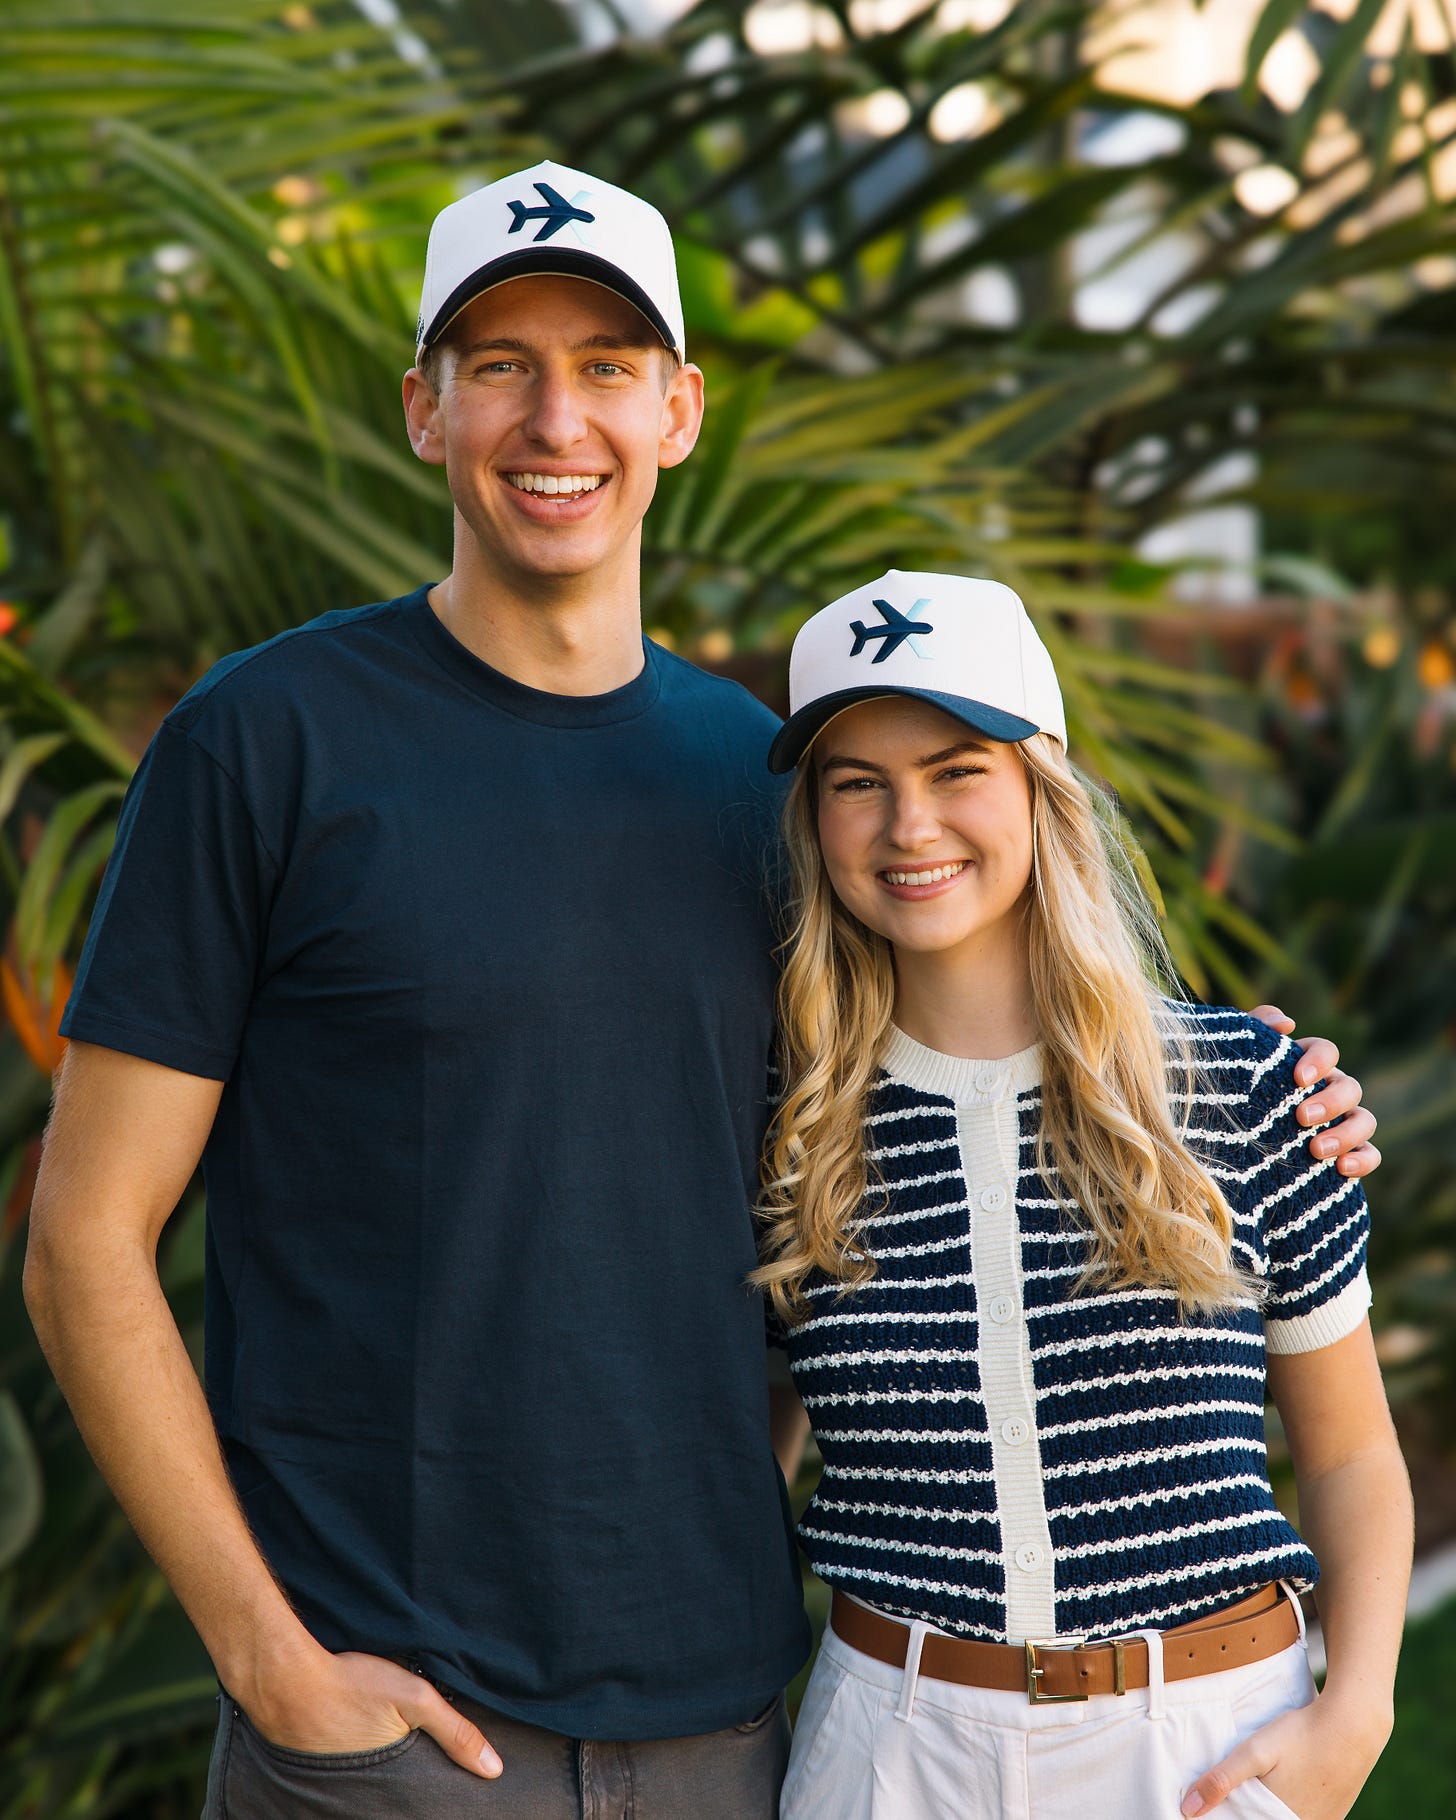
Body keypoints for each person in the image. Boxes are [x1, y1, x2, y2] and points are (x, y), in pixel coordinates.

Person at [20, 159, 1379, 1820]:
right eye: (500, 364)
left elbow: (924, 1084)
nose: (554, 419)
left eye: (604, 368)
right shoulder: (267, 743)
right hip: (385, 1727)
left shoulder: (770, 787)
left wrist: (1259, 1080)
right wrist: (270, 1659)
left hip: (730, 1719)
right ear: (422, 411)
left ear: (679, 408)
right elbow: (86, 1237)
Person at [752, 570, 1411, 1820]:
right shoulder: (784, 1127)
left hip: (1204, 1742)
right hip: (892, 1748)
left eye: (957, 770)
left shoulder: (1243, 1086)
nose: (908, 825)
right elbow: (751, 1439)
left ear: (1041, 786)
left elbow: (1350, 1447)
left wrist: (1357, 1705)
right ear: (814, 816)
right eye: (857, 782)